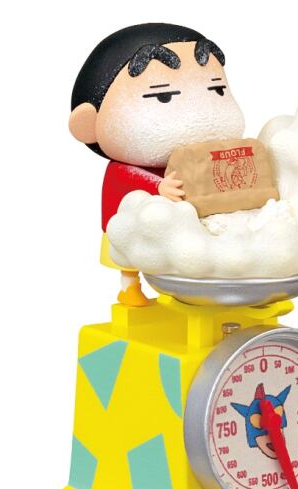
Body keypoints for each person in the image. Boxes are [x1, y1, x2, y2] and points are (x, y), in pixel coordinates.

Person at [69, 23, 245, 306]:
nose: (198, 113)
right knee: (129, 257)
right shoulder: (126, 169)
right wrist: (159, 187)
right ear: (88, 125)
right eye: (163, 95)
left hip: (184, 235)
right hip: (132, 225)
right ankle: (129, 287)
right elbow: (130, 182)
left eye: (217, 90)